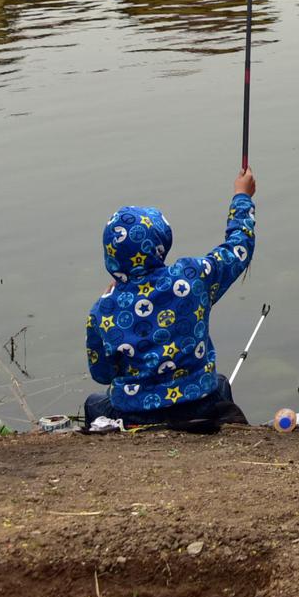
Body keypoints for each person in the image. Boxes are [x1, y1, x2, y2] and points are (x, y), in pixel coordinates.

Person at [85, 167, 257, 431]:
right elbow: (238, 249)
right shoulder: (191, 278)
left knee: (93, 404)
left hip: (136, 415)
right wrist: (242, 196)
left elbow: (102, 375)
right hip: (197, 403)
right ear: (161, 243)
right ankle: (227, 431)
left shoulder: (102, 310)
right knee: (220, 383)